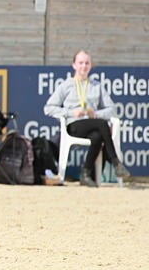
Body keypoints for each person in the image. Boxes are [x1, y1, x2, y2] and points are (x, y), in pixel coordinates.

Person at [43, 50, 131, 186]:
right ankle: (115, 162)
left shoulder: (97, 86)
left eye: (87, 63)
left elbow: (113, 109)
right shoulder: (66, 85)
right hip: (74, 125)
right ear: (74, 65)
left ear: (90, 66)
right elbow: (48, 108)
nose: (83, 66)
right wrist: (71, 112)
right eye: (80, 63)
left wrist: (95, 114)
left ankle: (85, 174)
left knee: (97, 136)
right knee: (102, 125)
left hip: (93, 124)